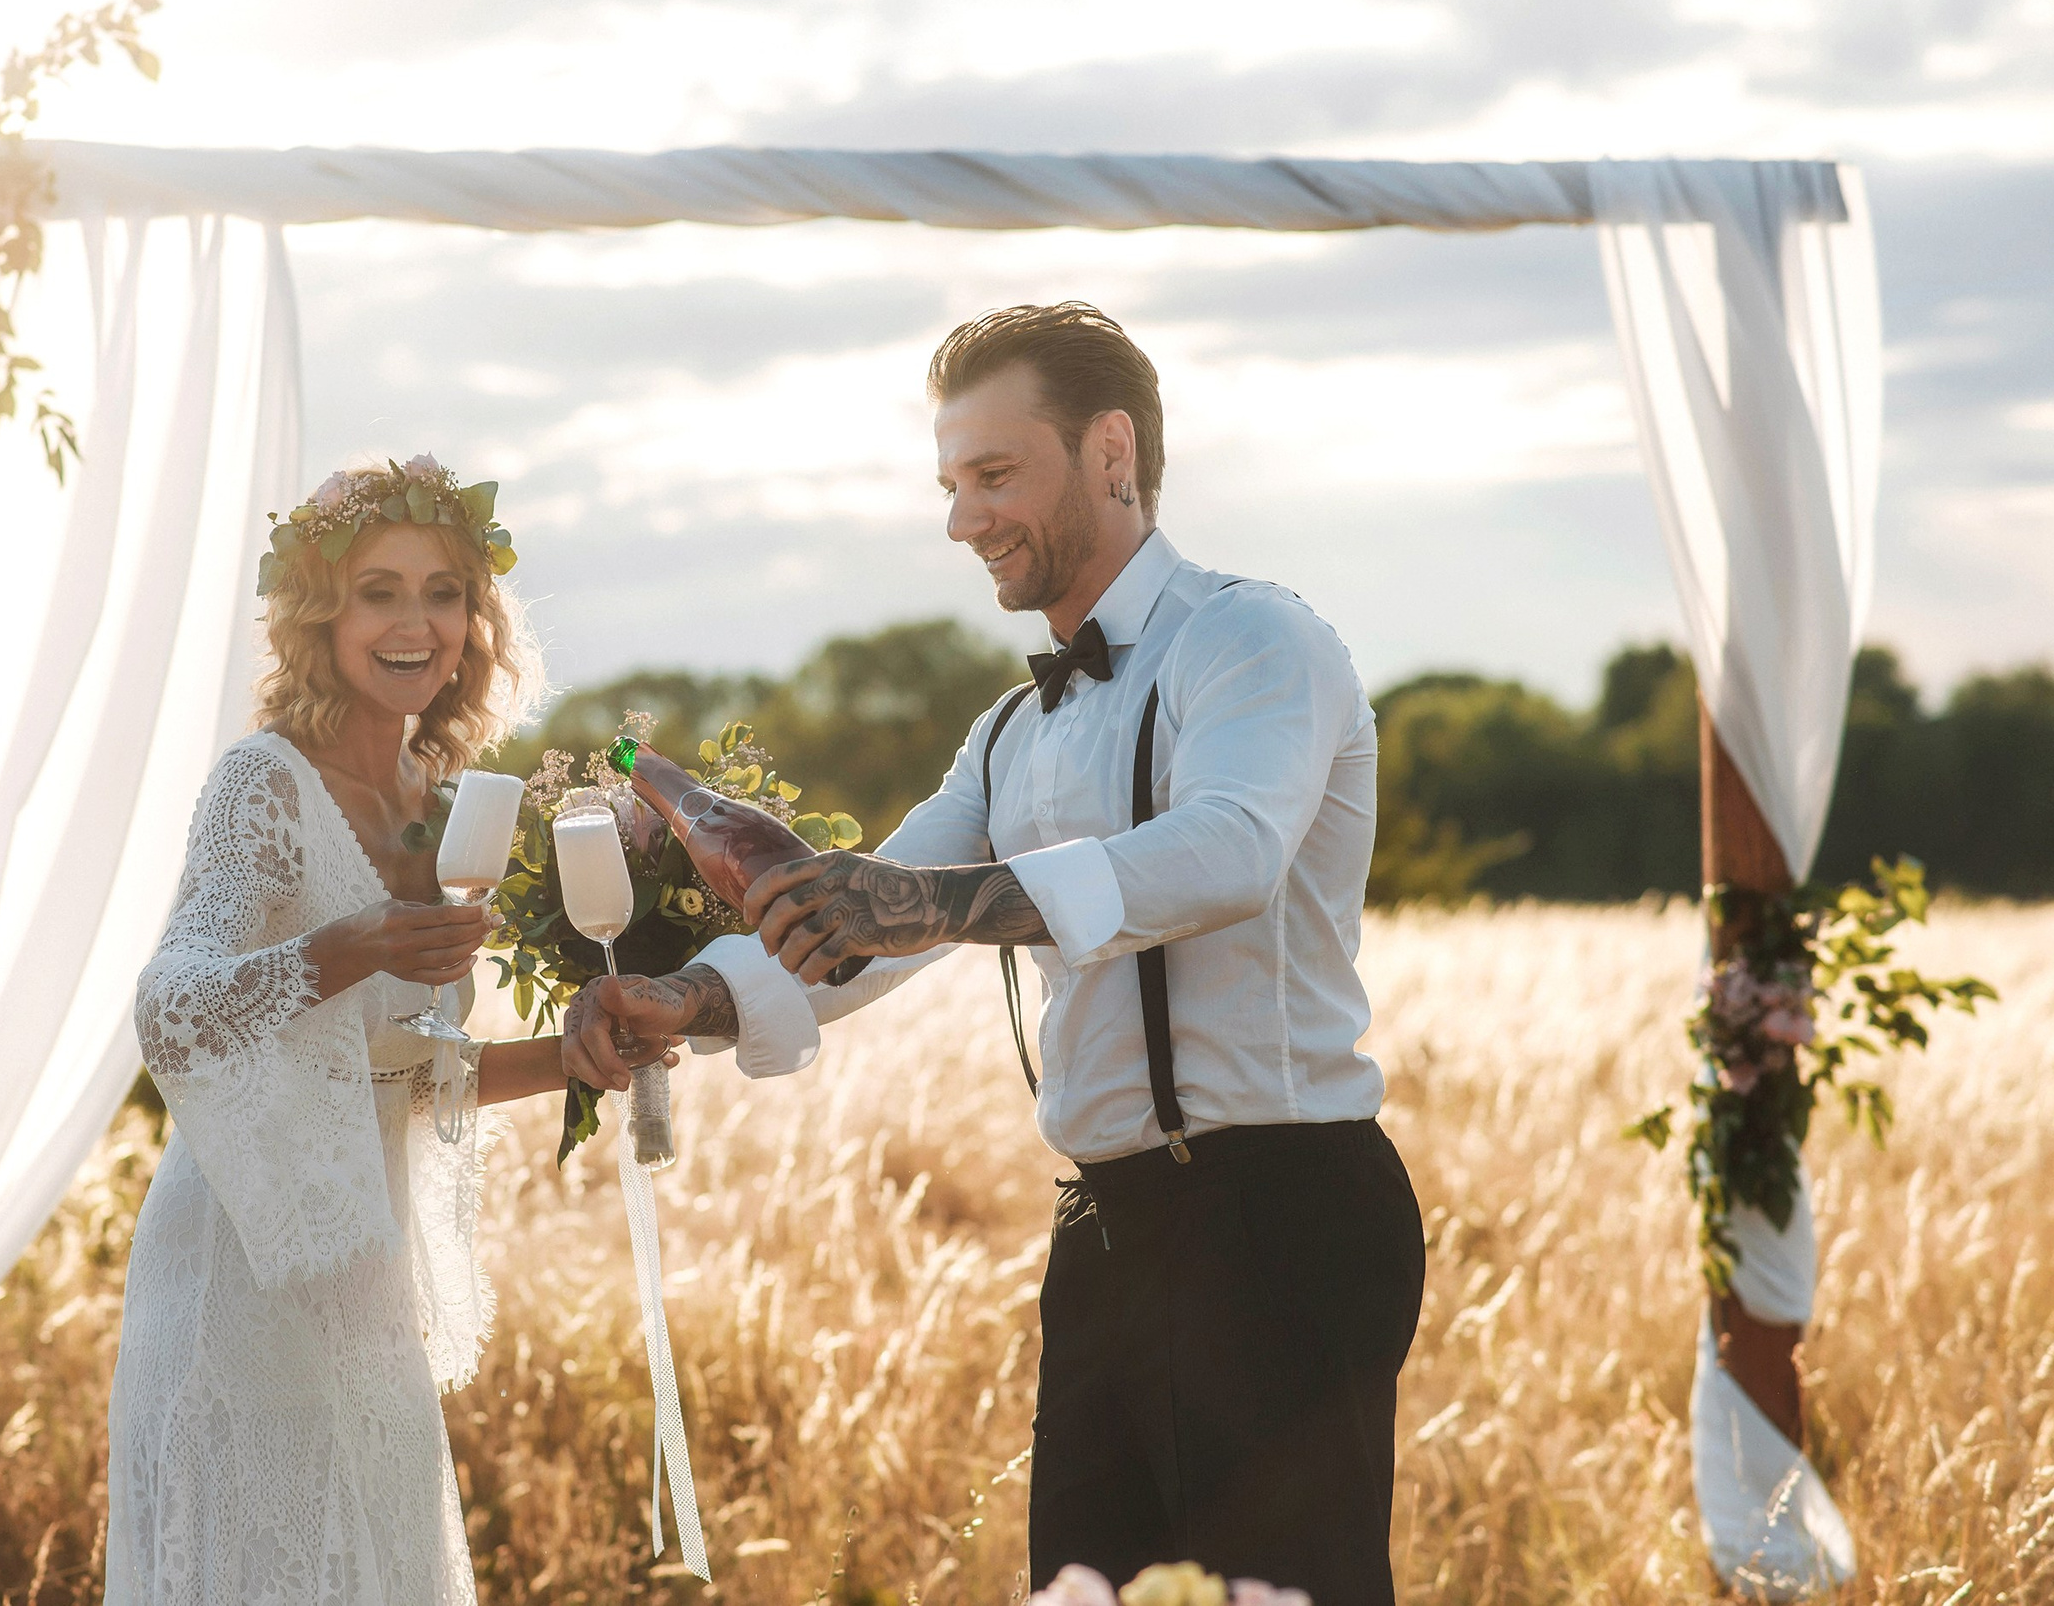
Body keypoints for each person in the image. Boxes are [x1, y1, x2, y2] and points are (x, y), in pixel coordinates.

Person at [559, 305, 1426, 1605]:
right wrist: (685, 997)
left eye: (996, 473)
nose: (964, 518)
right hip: (1105, 1232)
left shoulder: (1257, 638)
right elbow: (866, 930)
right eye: (952, 483)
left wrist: (937, 898)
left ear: (1114, 452)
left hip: (1285, 1212)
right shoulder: (1012, 728)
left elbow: (1228, 852)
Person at [107, 455, 631, 1605]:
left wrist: (575, 1058)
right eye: (378, 591)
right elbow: (173, 1006)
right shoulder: (261, 785)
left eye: (443, 591)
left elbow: (404, 1077)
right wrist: (353, 949)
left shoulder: (441, 806)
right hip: (242, 1260)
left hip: (365, 1266)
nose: (416, 623)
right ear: (319, 614)